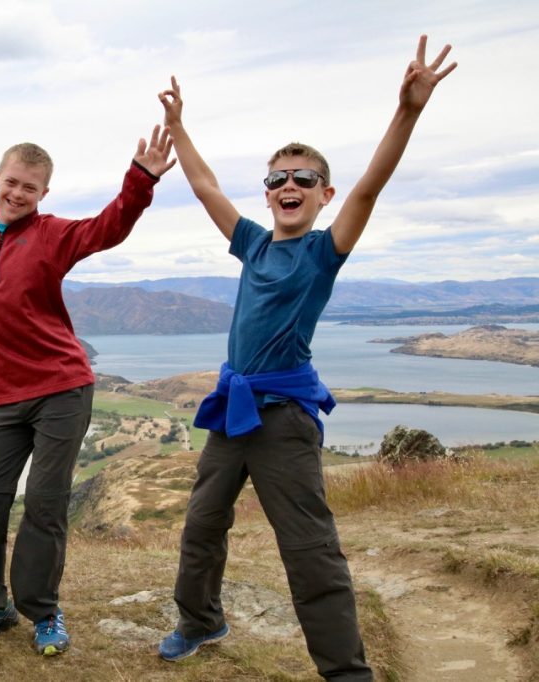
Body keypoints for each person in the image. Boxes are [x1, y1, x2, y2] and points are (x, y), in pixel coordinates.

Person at [155, 35, 456, 679]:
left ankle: (345, 671)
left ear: (323, 194)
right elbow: (205, 186)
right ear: (267, 194)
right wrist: (179, 128)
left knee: (309, 549)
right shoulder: (254, 245)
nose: (289, 185)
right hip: (232, 412)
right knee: (202, 526)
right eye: (278, 178)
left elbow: (371, 190)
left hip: (284, 418)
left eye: (304, 179)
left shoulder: (323, 251)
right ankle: (201, 621)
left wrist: (408, 111)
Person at [0, 130, 176, 656]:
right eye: (11, 182)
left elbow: (109, 228)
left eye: (30, 188)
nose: (18, 193)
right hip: (7, 398)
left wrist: (141, 178)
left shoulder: (53, 235)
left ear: (43, 194)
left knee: (43, 502)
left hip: (62, 388)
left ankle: (44, 610)